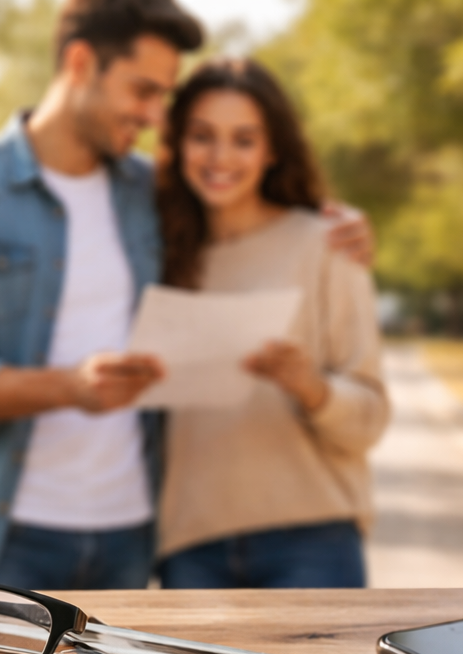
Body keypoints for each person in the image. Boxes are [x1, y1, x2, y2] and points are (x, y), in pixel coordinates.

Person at [0, 0, 373, 592]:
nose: (153, 116)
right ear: (80, 62)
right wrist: (68, 387)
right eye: (142, 91)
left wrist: (341, 225)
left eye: (162, 96)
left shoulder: (152, 194)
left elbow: (251, 212)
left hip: (131, 538)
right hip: (1, 534)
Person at [153, 58, 389, 589]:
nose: (220, 157)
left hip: (312, 539)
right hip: (189, 547)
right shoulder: (158, 251)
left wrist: (311, 387)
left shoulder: (327, 244)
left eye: (243, 139)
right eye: (202, 136)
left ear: (272, 149)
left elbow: (371, 418)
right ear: (176, 143)